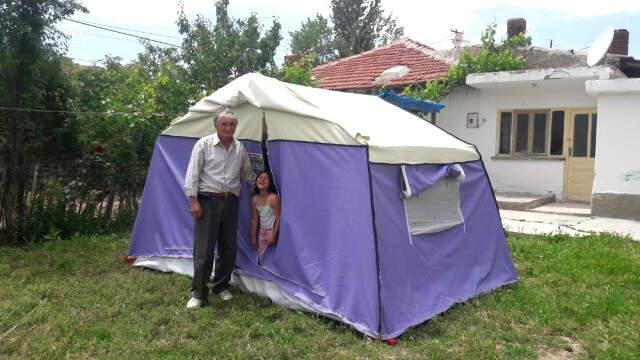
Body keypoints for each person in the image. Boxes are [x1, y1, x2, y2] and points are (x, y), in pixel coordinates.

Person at [183, 108, 256, 308]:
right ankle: (198, 293)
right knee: (204, 249)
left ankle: (221, 285)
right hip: (208, 201)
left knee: (228, 247)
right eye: (224, 124)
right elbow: (192, 174)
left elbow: (247, 174)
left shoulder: (239, 148)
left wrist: (263, 188)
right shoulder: (203, 145)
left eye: (232, 124)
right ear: (216, 126)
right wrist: (193, 200)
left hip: (231, 202)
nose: (228, 128)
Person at [251, 171, 281, 260]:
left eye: (265, 178)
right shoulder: (254, 199)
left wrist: (274, 235)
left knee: (272, 257)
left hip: (272, 231)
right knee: (262, 256)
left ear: (270, 182)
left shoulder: (273, 198)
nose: (262, 180)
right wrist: (253, 238)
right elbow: (254, 220)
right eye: (260, 177)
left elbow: (279, 218)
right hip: (262, 232)